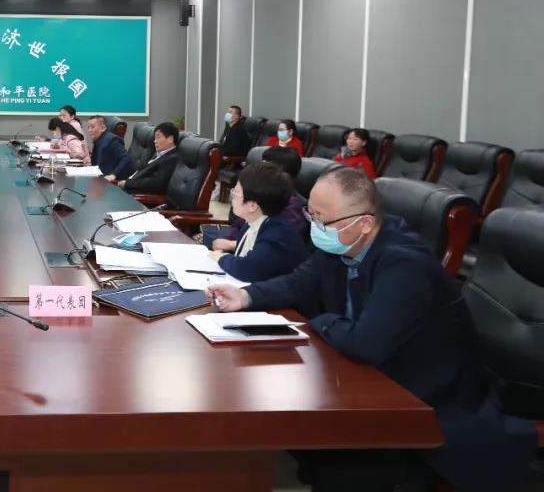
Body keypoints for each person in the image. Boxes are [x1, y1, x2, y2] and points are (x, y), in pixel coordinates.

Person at [207, 167, 538, 491]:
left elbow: (364, 343)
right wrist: (246, 296)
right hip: (370, 373)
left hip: (427, 394)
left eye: (322, 220)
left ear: (364, 223)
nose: (314, 227)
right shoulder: (341, 243)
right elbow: (298, 282)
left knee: (339, 462)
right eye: (311, 215)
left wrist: (318, 321)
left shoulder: (405, 264)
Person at [207, 162, 309, 282]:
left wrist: (221, 258)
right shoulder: (253, 222)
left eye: (235, 192)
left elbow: (246, 269)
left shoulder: (278, 234)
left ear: (252, 206)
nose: (232, 196)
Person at [110, 122, 179, 194]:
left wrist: (127, 183)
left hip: (136, 194)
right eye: (155, 138)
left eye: (158, 137)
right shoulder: (159, 154)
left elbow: (155, 184)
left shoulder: (171, 159)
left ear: (170, 139)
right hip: (128, 187)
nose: (155, 141)